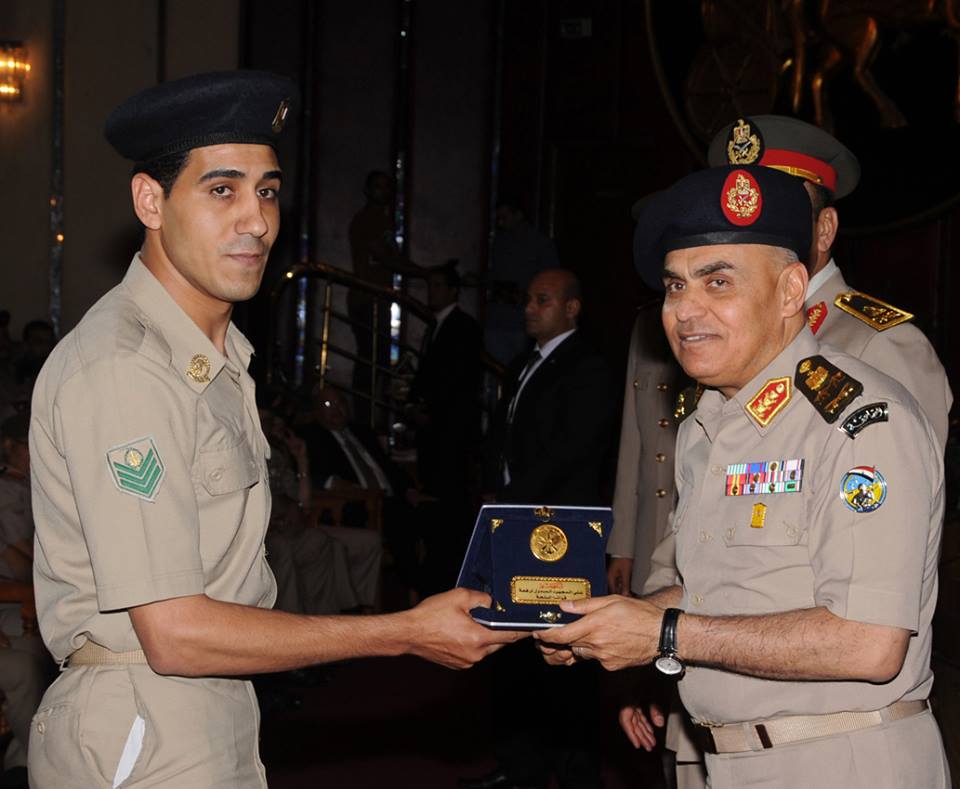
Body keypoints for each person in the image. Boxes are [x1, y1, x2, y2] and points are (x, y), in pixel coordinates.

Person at [27, 70, 523, 789]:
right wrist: (403, 631)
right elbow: (175, 633)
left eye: (266, 191)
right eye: (221, 190)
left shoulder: (213, 358)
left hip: (198, 712)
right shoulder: (127, 368)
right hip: (143, 724)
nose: (257, 220)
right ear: (150, 201)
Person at [535, 164, 950, 788]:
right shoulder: (711, 423)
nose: (685, 311)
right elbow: (718, 597)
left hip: (840, 761)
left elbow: (869, 643)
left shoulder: (858, 420)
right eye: (675, 286)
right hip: (729, 762)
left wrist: (664, 634)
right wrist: (610, 621)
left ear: (790, 291)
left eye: (718, 282)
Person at [708, 115, 952, 450]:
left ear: (824, 229)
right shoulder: (716, 330)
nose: (755, 236)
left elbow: (905, 474)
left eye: (780, 218)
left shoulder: (879, 343)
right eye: (741, 217)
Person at [463, 269, 616, 789]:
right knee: (508, 639)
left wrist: (512, 498)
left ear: (572, 308)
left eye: (542, 300)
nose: (530, 308)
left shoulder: (588, 366)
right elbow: (501, 437)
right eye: (528, 299)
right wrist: (490, 490)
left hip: (560, 530)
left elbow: (574, 449)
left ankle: (575, 772)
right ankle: (519, 764)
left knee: (566, 645)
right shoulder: (523, 364)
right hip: (513, 521)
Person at [408, 264, 483, 591]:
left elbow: (457, 382)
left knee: (450, 506)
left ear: (453, 291)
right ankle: (436, 576)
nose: (432, 292)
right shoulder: (436, 326)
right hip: (436, 433)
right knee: (434, 505)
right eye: (430, 285)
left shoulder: (463, 327)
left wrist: (432, 412)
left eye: (438, 286)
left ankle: (448, 578)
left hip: (451, 434)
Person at [0, 412, 48, 789]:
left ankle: (24, 759)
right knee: (31, 659)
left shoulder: (30, 485)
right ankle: (36, 760)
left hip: (19, 594)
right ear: (9, 447)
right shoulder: (8, 490)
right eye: (25, 445)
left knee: (38, 651)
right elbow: (20, 554)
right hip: (13, 598)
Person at [484, 201, 560, 366]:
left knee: (520, 368)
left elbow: (552, 281)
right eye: (498, 218)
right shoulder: (500, 242)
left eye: (504, 217)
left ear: (518, 215)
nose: (500, 223)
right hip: (498, 319)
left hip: (524, 321)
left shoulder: (540, 244)